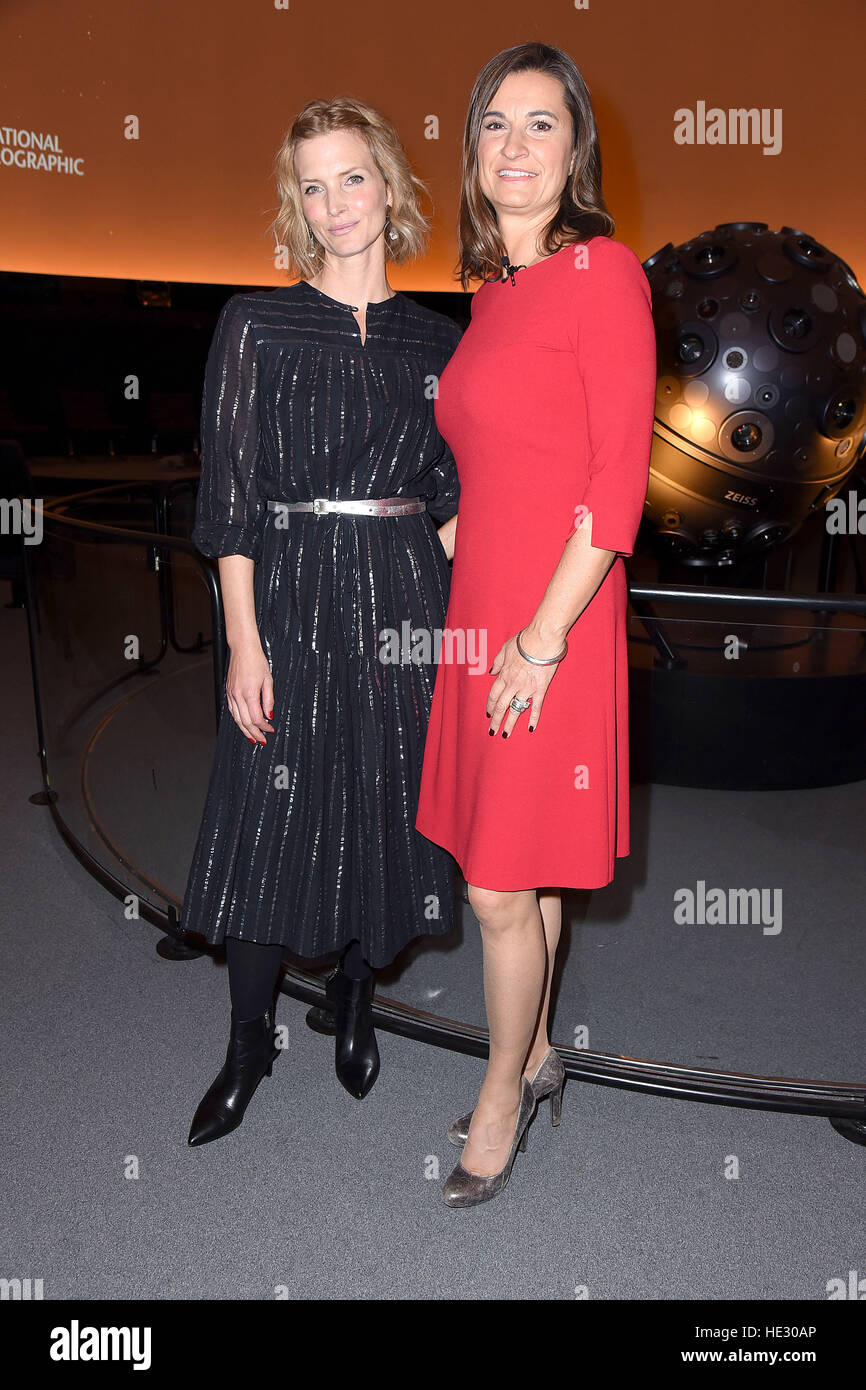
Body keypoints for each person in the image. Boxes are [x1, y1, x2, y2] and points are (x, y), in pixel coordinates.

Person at [182, 97, 463, 1144]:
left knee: (383, 804)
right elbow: (233, 501)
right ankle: (247, 1037)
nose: (334, 202)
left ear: (388, 187)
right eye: (313, 184)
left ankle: (352, 994)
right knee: (268, 813)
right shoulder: (256, 324)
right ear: (296, 205)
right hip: (290, 596)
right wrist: (243, 643)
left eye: (352, 177)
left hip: (402, 600)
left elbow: (453, 487)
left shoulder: (436, 338)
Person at [414, 42, 657, 1207]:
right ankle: (543, 1046)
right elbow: (510, 449)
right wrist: (459, 526)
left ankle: (501, 1092)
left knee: (496, 891)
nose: (514, 147)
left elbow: (614, 490)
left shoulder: (602, 273)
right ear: (472, 151)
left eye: (540, 125)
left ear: (576, 151)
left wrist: (542, 637)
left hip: (552, 624)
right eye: (494, 125)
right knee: (534, 872)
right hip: (487, 608)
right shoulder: (491, 292)